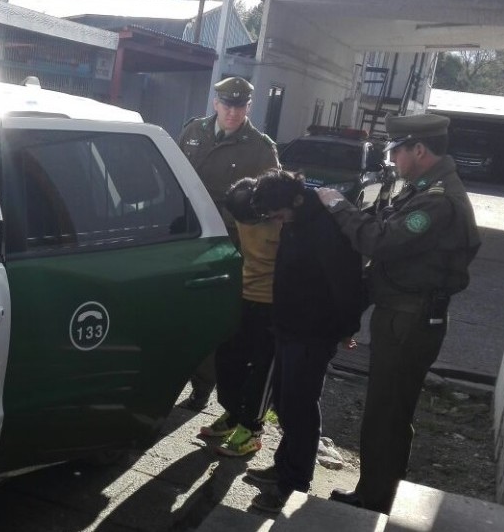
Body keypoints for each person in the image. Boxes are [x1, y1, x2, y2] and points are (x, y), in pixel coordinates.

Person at [316, 113, 481, 513]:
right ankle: (379, 489)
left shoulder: (438, 200)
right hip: (402, 314)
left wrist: (338, 207)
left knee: (386, 411)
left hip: (410, 320)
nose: (393, 161)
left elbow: (380, 241)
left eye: (397, 151)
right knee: (388, 408)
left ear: (419, 150)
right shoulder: (424, 188)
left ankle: (374, 498)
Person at [243, 169, 365, 513]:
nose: (277, 222)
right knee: (283, 401)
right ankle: (285, 466)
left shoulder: (326, 228)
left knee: (299, 405)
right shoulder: (296, 220)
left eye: (279, 215)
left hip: (313, 332)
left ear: (295, 200)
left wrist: (347, 328)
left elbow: (346, 282)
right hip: (289, 327)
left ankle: (294, 483)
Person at [176, 76, 280, 411]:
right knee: (181, 312)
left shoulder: (261, 148)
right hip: (186, 238)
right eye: (227, 105)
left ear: (248, 107)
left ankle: (204, 386)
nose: (232, 113)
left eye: (239, 106)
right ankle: (173, 377)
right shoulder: (194, 132)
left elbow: (271, 203)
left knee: (215, 317)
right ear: (216, 104)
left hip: (227, 244)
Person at [199, 177, 281, 459]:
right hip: (243, 296)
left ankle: (252, 429)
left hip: (273, 305)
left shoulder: (282, 220)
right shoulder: (240, 212)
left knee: (262, 368)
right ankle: (233, 413)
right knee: (228, 357)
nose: (245, 224)